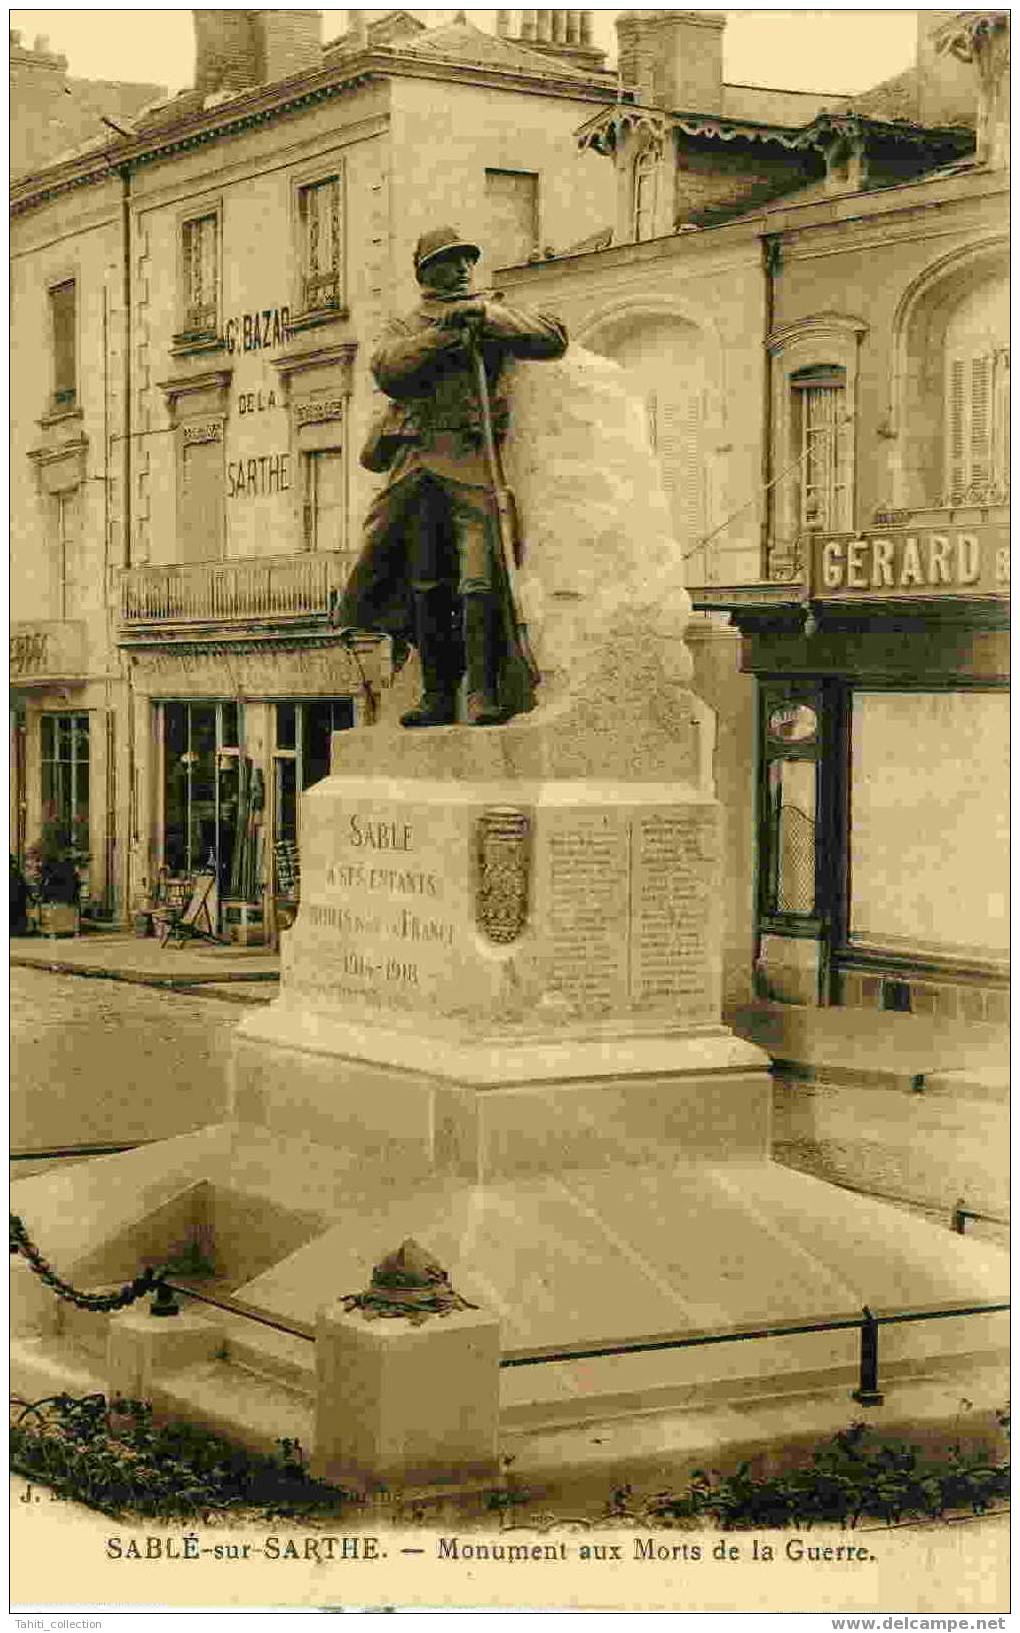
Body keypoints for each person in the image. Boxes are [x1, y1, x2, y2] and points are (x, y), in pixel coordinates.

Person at [334, 226, 568, 727]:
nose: (462, 269)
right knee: (425, 583)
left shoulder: (489, 309)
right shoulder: (406, 324)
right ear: (424, 272)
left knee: (479, 579)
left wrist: (488, 317)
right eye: (449, 261)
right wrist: (444, 335)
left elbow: (552, 337)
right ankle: (438, 694)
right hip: (418, 464)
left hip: (471, 458)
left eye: (467, 260)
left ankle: (483, 690)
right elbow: (389, 369)